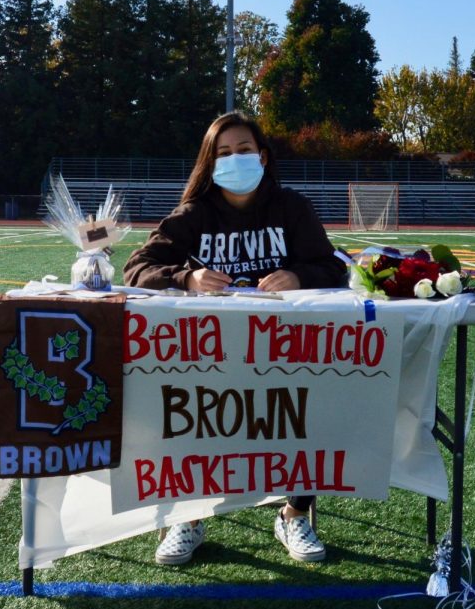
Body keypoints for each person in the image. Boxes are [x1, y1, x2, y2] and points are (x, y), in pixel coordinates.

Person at [123, 111, 347, 566]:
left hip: (286, 350)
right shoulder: (194, 214)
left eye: (243, 150)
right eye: (223, 153)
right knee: (184, 414)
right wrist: (187, 277)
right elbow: (136, 268)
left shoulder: (293, 209)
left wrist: (297, 275)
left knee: (310, 410)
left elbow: (334, 268)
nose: (235, 159)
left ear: (262, 156)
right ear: (210, 163)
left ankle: (294, 512)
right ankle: (186, 515)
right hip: (209, 355)